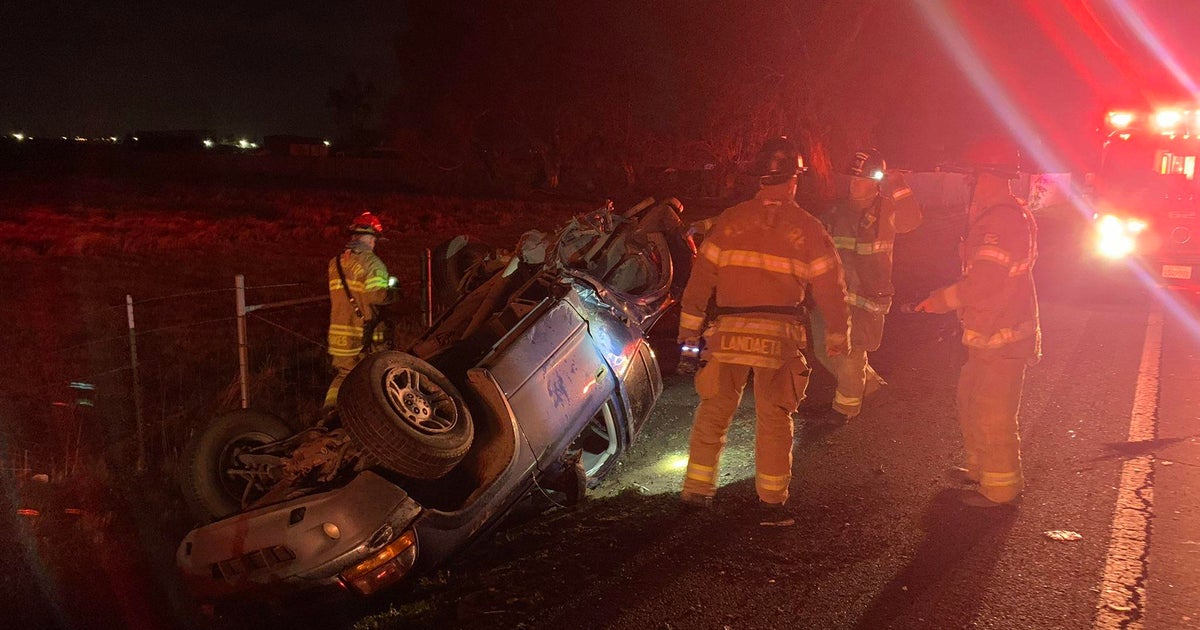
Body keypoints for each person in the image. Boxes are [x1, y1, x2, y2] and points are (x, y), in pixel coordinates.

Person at [676, 136, 850, 517]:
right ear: (794, 180)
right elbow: (831, 287)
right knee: (774, 417)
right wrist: (839, 332)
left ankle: (696, 489)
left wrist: (688, 335)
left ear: (759, 180)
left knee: (714, 410)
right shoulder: (808, 228)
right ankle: (771, 499)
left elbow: (699, 283)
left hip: (726, 335)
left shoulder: (729, 221)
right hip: (778, 339)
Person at [914, 137, 1041, 508]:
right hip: (987, 334)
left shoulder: (1001, 220)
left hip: (1004, 336)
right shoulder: (998, 215)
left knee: (994, 412)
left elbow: (986, 280)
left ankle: (1000, 489)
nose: (970, 184)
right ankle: (979, 470)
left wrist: (943, 300)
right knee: (971, 399)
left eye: (973, 177)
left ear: (988, 176)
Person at [811, 148, 922, 420]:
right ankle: (870, 387)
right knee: (824, 349)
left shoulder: (887, 209)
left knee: (851, 351)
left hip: (867, 295)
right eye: (852, 179)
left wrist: (897, 184)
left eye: (860, 179)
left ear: (875, 182)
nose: (854, 184)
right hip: (834, 295)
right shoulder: (837, 211)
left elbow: (912, 220)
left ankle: (845, 409)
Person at [324, 211, 393, 410]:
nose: (374, 244)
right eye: (374, 239)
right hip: (364, 334)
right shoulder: (372, 263)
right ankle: (365, 416)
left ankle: (328, 416)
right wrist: (393, 291)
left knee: (344, 376)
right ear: (368, 238)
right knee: (372, 376)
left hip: (338, 334)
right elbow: (377, 297)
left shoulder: (335, 263)